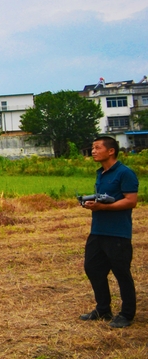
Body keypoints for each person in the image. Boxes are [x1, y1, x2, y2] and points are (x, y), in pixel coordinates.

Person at [79, 136, 139, 328]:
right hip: (98, 231)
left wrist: (103, 208)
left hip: (118, 233)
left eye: (97, 148)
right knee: (92, 268)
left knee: (121, 273)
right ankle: (103, 309)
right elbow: (104, 199)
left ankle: (127, 314)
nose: (93, 151)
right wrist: (93, 204)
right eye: (93, 148)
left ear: (111, 151)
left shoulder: (124, 173)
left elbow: (131, 201)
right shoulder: (101, 173)